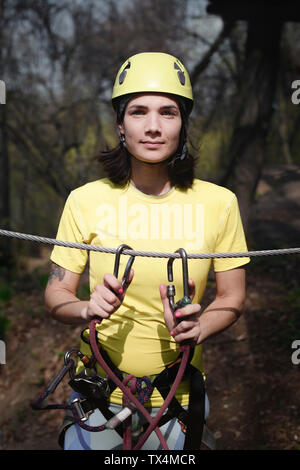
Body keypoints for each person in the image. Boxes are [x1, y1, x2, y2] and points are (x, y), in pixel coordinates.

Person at [45, 52, 250, 450]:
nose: (153, 127)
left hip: (179, 398)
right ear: (120, 125)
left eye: (168, 113)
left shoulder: (219, 203)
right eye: (138, 112)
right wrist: (86, 307)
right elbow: (55, 295)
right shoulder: (85, 201)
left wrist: (200, 326)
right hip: (98, 396)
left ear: (183, 124)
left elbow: (233, 295)